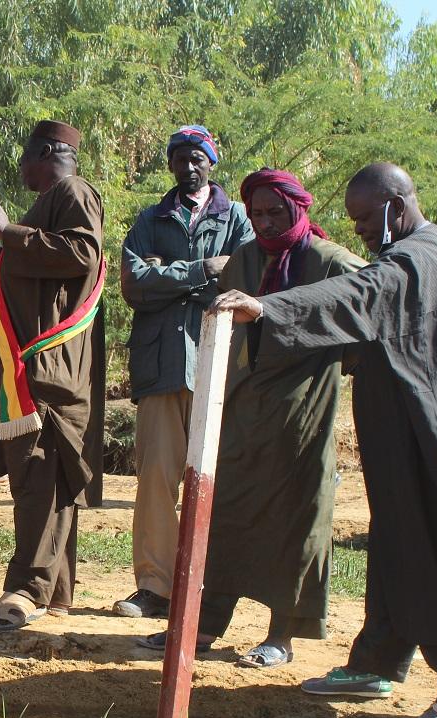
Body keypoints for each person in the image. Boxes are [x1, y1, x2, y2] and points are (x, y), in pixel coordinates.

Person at [213, 162, 437, 718]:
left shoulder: (417, 260)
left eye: (365, 217)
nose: (359, 228)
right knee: (396, 544)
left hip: (434, 440)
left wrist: (268, 308)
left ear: (397, 205)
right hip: (409, 433)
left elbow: (359, 293)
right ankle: (377, 662)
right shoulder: (431, 252)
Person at [136, 169, 365, 667]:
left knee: (295, 520)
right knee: (225, 515)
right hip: (242, 407)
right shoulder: (243, 260)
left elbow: (367, 306)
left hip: (302, 413)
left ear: (297, 209)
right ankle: (204, 625)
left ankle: (281, 636)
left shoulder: (330, 261)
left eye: (275, 212)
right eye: (257, 213)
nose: (264, 222)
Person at [0, 120, 106, 631]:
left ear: (47, 152)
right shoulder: (51, 202)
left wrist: (9, 233)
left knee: (42, 476)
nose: (20, 166)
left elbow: (81, 254)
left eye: (25, 156)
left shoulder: (73, 191)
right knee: (45, 479)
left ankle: (27, 589)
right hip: (33, 368)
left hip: (48, 368)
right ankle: (54, 591)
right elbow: (36, 274)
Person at [117, 125, 254, 619]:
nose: (189, 166)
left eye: (197, 157)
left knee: (215, 478)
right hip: (160, 367)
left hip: (218, 367)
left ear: (211, 162)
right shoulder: (151, 219)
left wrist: (166, 274)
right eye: (180, 158)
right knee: (156, 477)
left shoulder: (237, 217)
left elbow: (244, 277)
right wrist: (198, 271)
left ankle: (207, 587)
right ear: (171, 164)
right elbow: (134, 284)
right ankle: (155, 588)